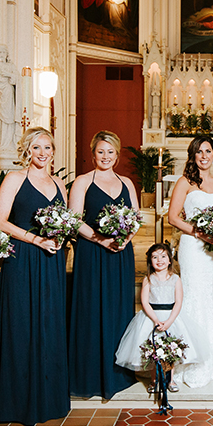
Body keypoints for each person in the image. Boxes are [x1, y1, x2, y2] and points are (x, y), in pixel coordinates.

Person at [0, 127, 70, 424]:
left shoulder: (58, 184)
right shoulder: (15, 179)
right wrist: (35, 240)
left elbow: (65, 222)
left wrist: (60, 239)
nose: (43, 153)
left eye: (48, 147)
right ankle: (19, 401)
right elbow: (0, 221)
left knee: (48, 323)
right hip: (23, 259)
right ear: (27, 150)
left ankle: (48, 397)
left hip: (51, 260)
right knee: (22, 323)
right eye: (37, 147)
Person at [68, 131, 140, 399]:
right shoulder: (83, 182)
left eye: (110, 152)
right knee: (91, 308)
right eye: (101, 152)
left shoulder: (127, 183)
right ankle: (89, 375)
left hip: (120, 253)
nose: (106, 156)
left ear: (117, 154)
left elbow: (135, 217)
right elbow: (74, 220)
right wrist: (101, 239)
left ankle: (117, 373)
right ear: (92, 154)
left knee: (118, 307)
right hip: (92, 253)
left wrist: (124, 240)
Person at [168, 135, 213, 389]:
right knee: (195, 297)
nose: (204, 156)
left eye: (208, 151)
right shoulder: (184, 183)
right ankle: (191, 361)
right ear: (193, 155)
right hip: (194, 248)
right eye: (199, 151)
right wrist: (198, 232)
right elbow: (173, 217)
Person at [115, 242, 200, 391]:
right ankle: (154, 380)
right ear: (150, 261)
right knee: (152, 349)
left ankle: (171, 380)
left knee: (171, 349)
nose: (159, 260)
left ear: (169, 260)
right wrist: (155, 320)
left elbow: (178, 302)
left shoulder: (175, 279)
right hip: (151, 317)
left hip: (171, 317)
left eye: (163, 256)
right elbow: (145, 302)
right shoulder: (148, 279)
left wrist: (169, 322)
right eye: (155, 257)